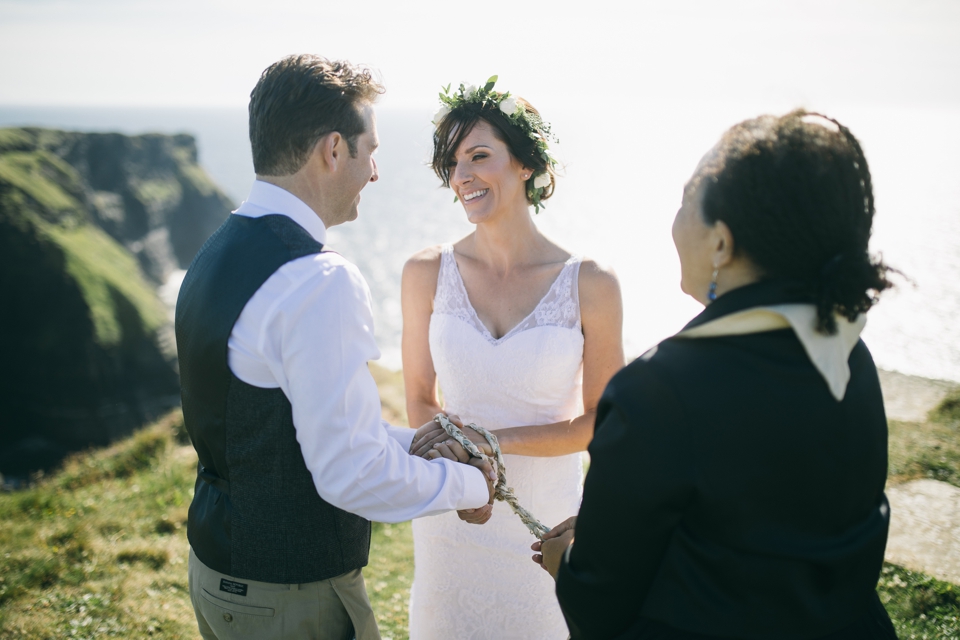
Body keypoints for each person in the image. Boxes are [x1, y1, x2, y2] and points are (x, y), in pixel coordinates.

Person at [533, 110, 899, 639]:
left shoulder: (657, 392)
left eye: (685, 202)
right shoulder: (849, 355)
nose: (675, 221)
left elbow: (600, 603)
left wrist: (566, 561)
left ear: (722, 244)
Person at [175, 55, 496, 640]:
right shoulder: (319, 280)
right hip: (290, 599)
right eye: (369, 149)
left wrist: (418, 446)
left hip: (217, 575)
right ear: (331, 150)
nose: (375, 171)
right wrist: (472, 484)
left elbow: (283, 426)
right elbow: (350, 474)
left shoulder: (218, 248)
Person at [400, 79, 625, 638]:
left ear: (525, 163)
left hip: (542, 533)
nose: (464, 176)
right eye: (453, 164)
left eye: (479, 156)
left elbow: (602, 423)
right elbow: (420, 400)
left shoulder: (590, 283)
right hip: (452, 517)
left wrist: (495, 444)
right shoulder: (426, 272)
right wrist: (462, 467)